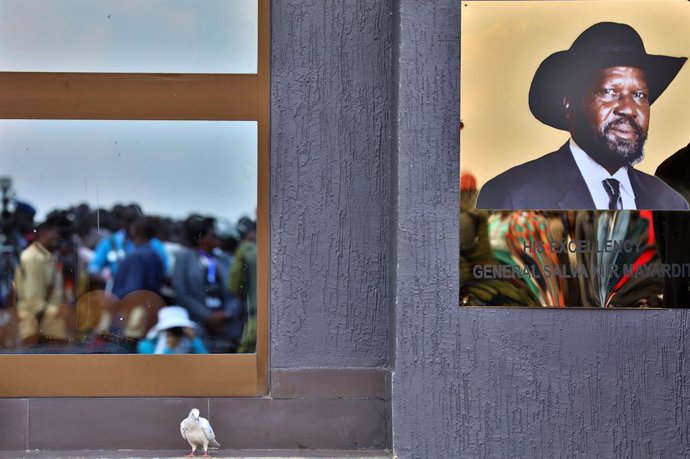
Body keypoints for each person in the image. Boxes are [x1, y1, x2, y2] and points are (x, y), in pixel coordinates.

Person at [476, 22, 688, 211]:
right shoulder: (513, 196)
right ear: (569, 105)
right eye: (609, 92)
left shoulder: (670, 203)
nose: (628, 108)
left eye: (640, 95)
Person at [172, 216, 243, 353]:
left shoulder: (226, 260)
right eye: (212, 235)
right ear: (201, 238)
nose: (217, 238)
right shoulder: (184, 259)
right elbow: (182, 292)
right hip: (198, 323)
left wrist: (227, 313)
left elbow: (237, 291)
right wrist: (208, 316)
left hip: (225, 324)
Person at [14, 220, 70, 345]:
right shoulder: (33, 258)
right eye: (54, 232)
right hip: (35, 327)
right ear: (44, 233)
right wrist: (57, 311)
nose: (57, 236)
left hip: (47, 327)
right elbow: (33, 300)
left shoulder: (46, 256)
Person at [137, 306, 207, 354]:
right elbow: (154, 368)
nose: (175, 332)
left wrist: (194, 340)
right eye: (170, 329)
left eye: (179, 328)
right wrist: (169, 348)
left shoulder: (190, 342)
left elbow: (206, 363)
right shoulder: (147, 345)